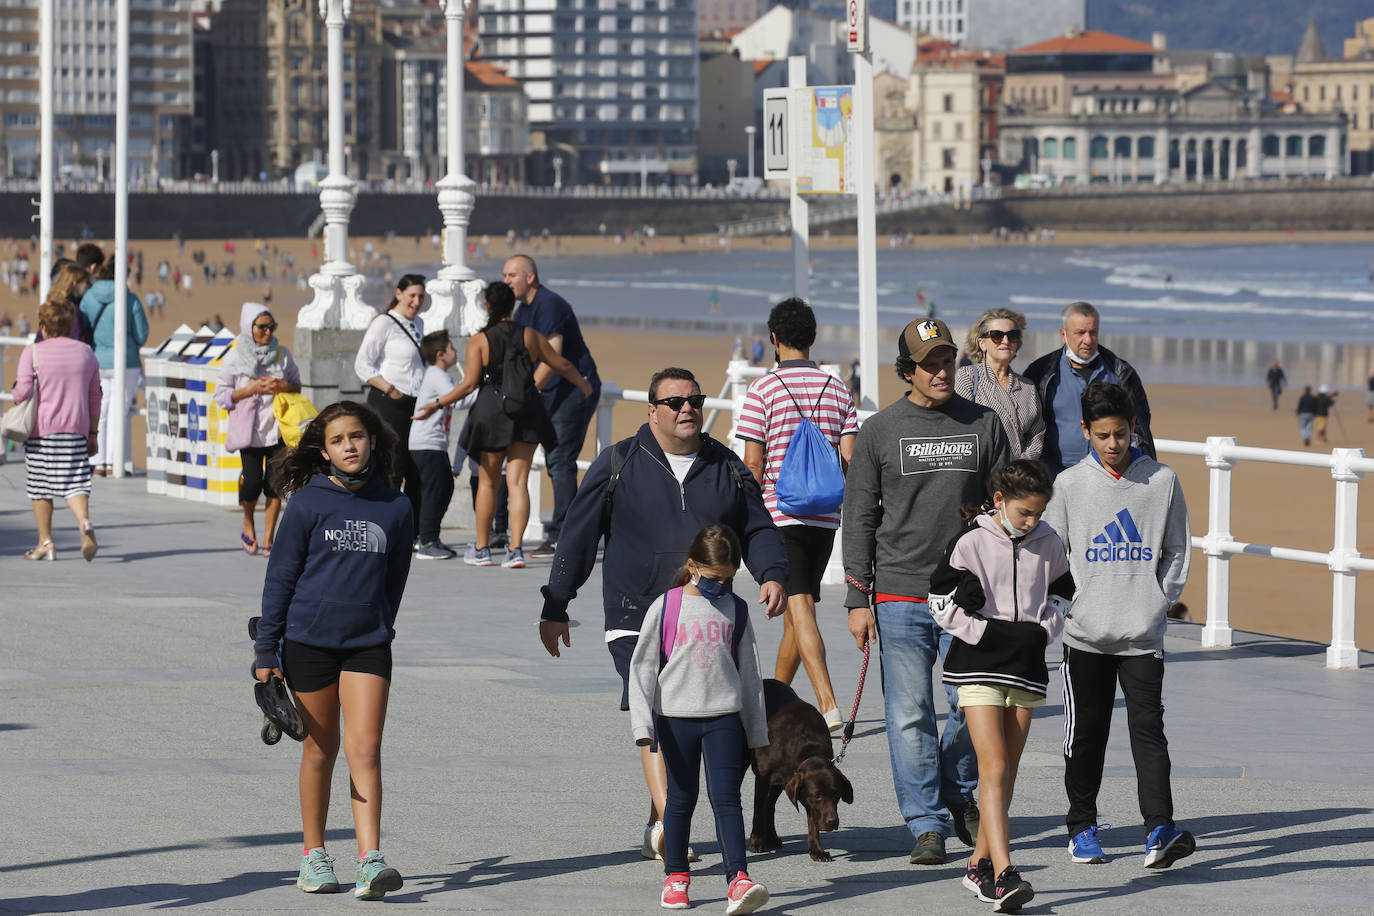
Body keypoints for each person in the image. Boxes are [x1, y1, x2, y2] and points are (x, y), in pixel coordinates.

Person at [538, 366, 787, 863]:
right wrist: (556, 603)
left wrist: (772, 572)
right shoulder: (618, 463)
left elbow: (757, 528)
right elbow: (578, 538)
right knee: (654, 714)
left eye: (694, 399)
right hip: (636, 617)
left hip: (710, 620)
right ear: (652, 410)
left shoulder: (729, 467)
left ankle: (661, 819)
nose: (687, 408)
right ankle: (672, 825)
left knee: (698, 717)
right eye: (674, 402)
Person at [842, 318, 1012, 866]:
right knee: (908, 712)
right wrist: (856, 596)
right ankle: (925, 822)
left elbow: (1007, 509)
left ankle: (959, 789)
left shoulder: (984, 424)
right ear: (907, 370)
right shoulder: (879, 430)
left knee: (969, 704)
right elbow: (860, 514)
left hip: (971, 595)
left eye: (947, 361)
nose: (942, 372)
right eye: (930, 364)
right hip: (898, 591)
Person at [253, 401, 413, 899]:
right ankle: (314, 856)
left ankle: (371, 860)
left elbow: (396, 580)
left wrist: (380, 622)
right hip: (308, 644)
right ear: (324, 451)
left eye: (357, 437)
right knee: (320, 751)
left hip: (367, 645)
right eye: (339, 439)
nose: (350, 446)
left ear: (372, 442)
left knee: (366, 750)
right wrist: (265, 652)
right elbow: (280, 578)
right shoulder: (307, 503)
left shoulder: (396, 506)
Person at [1042, 382, 1195, 871]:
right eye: (1103, 435)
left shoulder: (1162, 481)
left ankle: (1159, 829)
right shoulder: (1068, 485)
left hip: (1142, 634)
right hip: (1085, 635)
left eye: (1122, 434)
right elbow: (1051, 556)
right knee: (1086, 733)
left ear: (1133, 429)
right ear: (1085, 431)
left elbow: (1177, 548)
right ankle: (1082, 826)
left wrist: (1159, 601)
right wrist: (1070, 609)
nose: (1114, 444)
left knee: (1149, 731)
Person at [928, 460, 1074, 911]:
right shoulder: (969, 540)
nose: (1032, 521)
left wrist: (1043, 631)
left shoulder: (1049, 542)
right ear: (999, 501)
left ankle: (978, 864)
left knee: (1005, 771)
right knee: (991, 766)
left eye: (1038, 513)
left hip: (1027, 666)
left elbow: (1064, 594)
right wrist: (981, 632)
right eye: (1024, 512)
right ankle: (1004, 872)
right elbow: (937, 599)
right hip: (977, 666)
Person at [628, 525, 771, 914]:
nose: (719, 586)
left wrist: (758, 733)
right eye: (712, 578)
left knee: (727, 799)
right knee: (679, 800)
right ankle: (676, 878)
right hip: (676, 720)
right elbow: (641, 667)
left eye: (727, 579)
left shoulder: (736, 608)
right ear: (692, 567)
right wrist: (642, 726)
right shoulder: (668, 605)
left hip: (724, 717)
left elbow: (750, 674)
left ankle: (738, 879)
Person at [736, 297, 858, 731]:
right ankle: (773, 698)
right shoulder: (838, 389)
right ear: (812, 338)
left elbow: (752, 464)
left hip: (779, 514)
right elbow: (850, 459)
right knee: (795, 611)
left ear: (774, 339)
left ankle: (827, 704)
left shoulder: (762, 391)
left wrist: (744, 515)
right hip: (825, 517)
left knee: (800, 606)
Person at [418, 281, 591, 568]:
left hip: (491, 413)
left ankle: (482, 549)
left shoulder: (481, 340)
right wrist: (584, 386)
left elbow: (469, 384)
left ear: (487, 305)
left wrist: (437, 404)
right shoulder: (531, 336)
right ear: (512, 305)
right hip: (527, 411)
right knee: (518, 482)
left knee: (488, 481)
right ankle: (515, 550)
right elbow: (560, 363)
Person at [502, 254, 601, 558]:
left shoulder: (549, 304)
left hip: (573, 390)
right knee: (543, 460)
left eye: (511, 276)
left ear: (529, 277)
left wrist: (524, 391)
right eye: (504, 276)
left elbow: (553, 355)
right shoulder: (522, 308)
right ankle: (546, 530)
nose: (506, 281)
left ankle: (562, 536)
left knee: (559, 460)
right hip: (547, 393)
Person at [11, 301, 102, 562]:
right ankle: (84, 522)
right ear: (71, 324)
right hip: (76, 429)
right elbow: (95, 397)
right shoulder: (86, 353)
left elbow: (21, 393)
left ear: (43, 326)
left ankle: (46, 543)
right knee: (75, 481)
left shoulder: (33, 353)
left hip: (42, 431)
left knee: (41, 486)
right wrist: (93, 434)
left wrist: (17, 388)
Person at [1022, 302, 1154, 477]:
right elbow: (1027, 429)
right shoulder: (1041, 372)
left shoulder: (1122, 373)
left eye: (1093, 332)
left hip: (1110, 475)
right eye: (1080, 333)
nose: (1088, 340)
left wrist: (1142, 472)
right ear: (1063, 335)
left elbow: (1139, 429)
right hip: (1055, 477)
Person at [213, 302, 301, 556]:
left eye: (271, 327)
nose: (268, 333)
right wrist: (249, 390)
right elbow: (221, 396)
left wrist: (282, 385)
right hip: (249, 433)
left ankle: (269, 538)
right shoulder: (234, 357)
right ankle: (248, 521)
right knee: (252, 483)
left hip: (277, 429)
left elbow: (297, 385)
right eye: (262, 327)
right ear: (248, 327)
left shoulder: (282, 355)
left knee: (275, 484)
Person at [354, 273, 427, 527]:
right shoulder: (384, 323)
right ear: (398, 294)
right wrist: (390, 388)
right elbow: (362, 364)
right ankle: (385, 525)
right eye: (411, 296)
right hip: (389, 403)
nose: (416, 301)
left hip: (416, 404)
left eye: (420, 296)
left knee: (416, 469)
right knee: (392, 467)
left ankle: (413, 530)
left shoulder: (419, 323)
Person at [79, 257, 150, 477]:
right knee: (119, 411)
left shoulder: (89, 297)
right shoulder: (129, 299)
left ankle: (98, 461)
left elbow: (82, 327)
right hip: (125, 362)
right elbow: (141, 334)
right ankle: (113, 462)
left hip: (97, 359)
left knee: (100, 411)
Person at [408, 330, 474, 560]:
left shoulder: (438, 374)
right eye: (452, 348)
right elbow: (459, 400)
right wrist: (477, 387)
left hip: (433, 444)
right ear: (440, 354)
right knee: (435, 491)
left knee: (443, 488)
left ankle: (431, 537)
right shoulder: (437, 374)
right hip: (427, 444)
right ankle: (427, 542)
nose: (456, 352)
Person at [956, 308, 1045, 460]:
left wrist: (1021, 465)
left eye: (1012, 335)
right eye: (997, 335)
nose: (1006, 341)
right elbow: (960, 430)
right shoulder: (967, 376)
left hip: (1018, 477)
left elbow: (1037, 434)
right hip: (980, 476)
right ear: (982, 343)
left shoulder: (1027, 387)